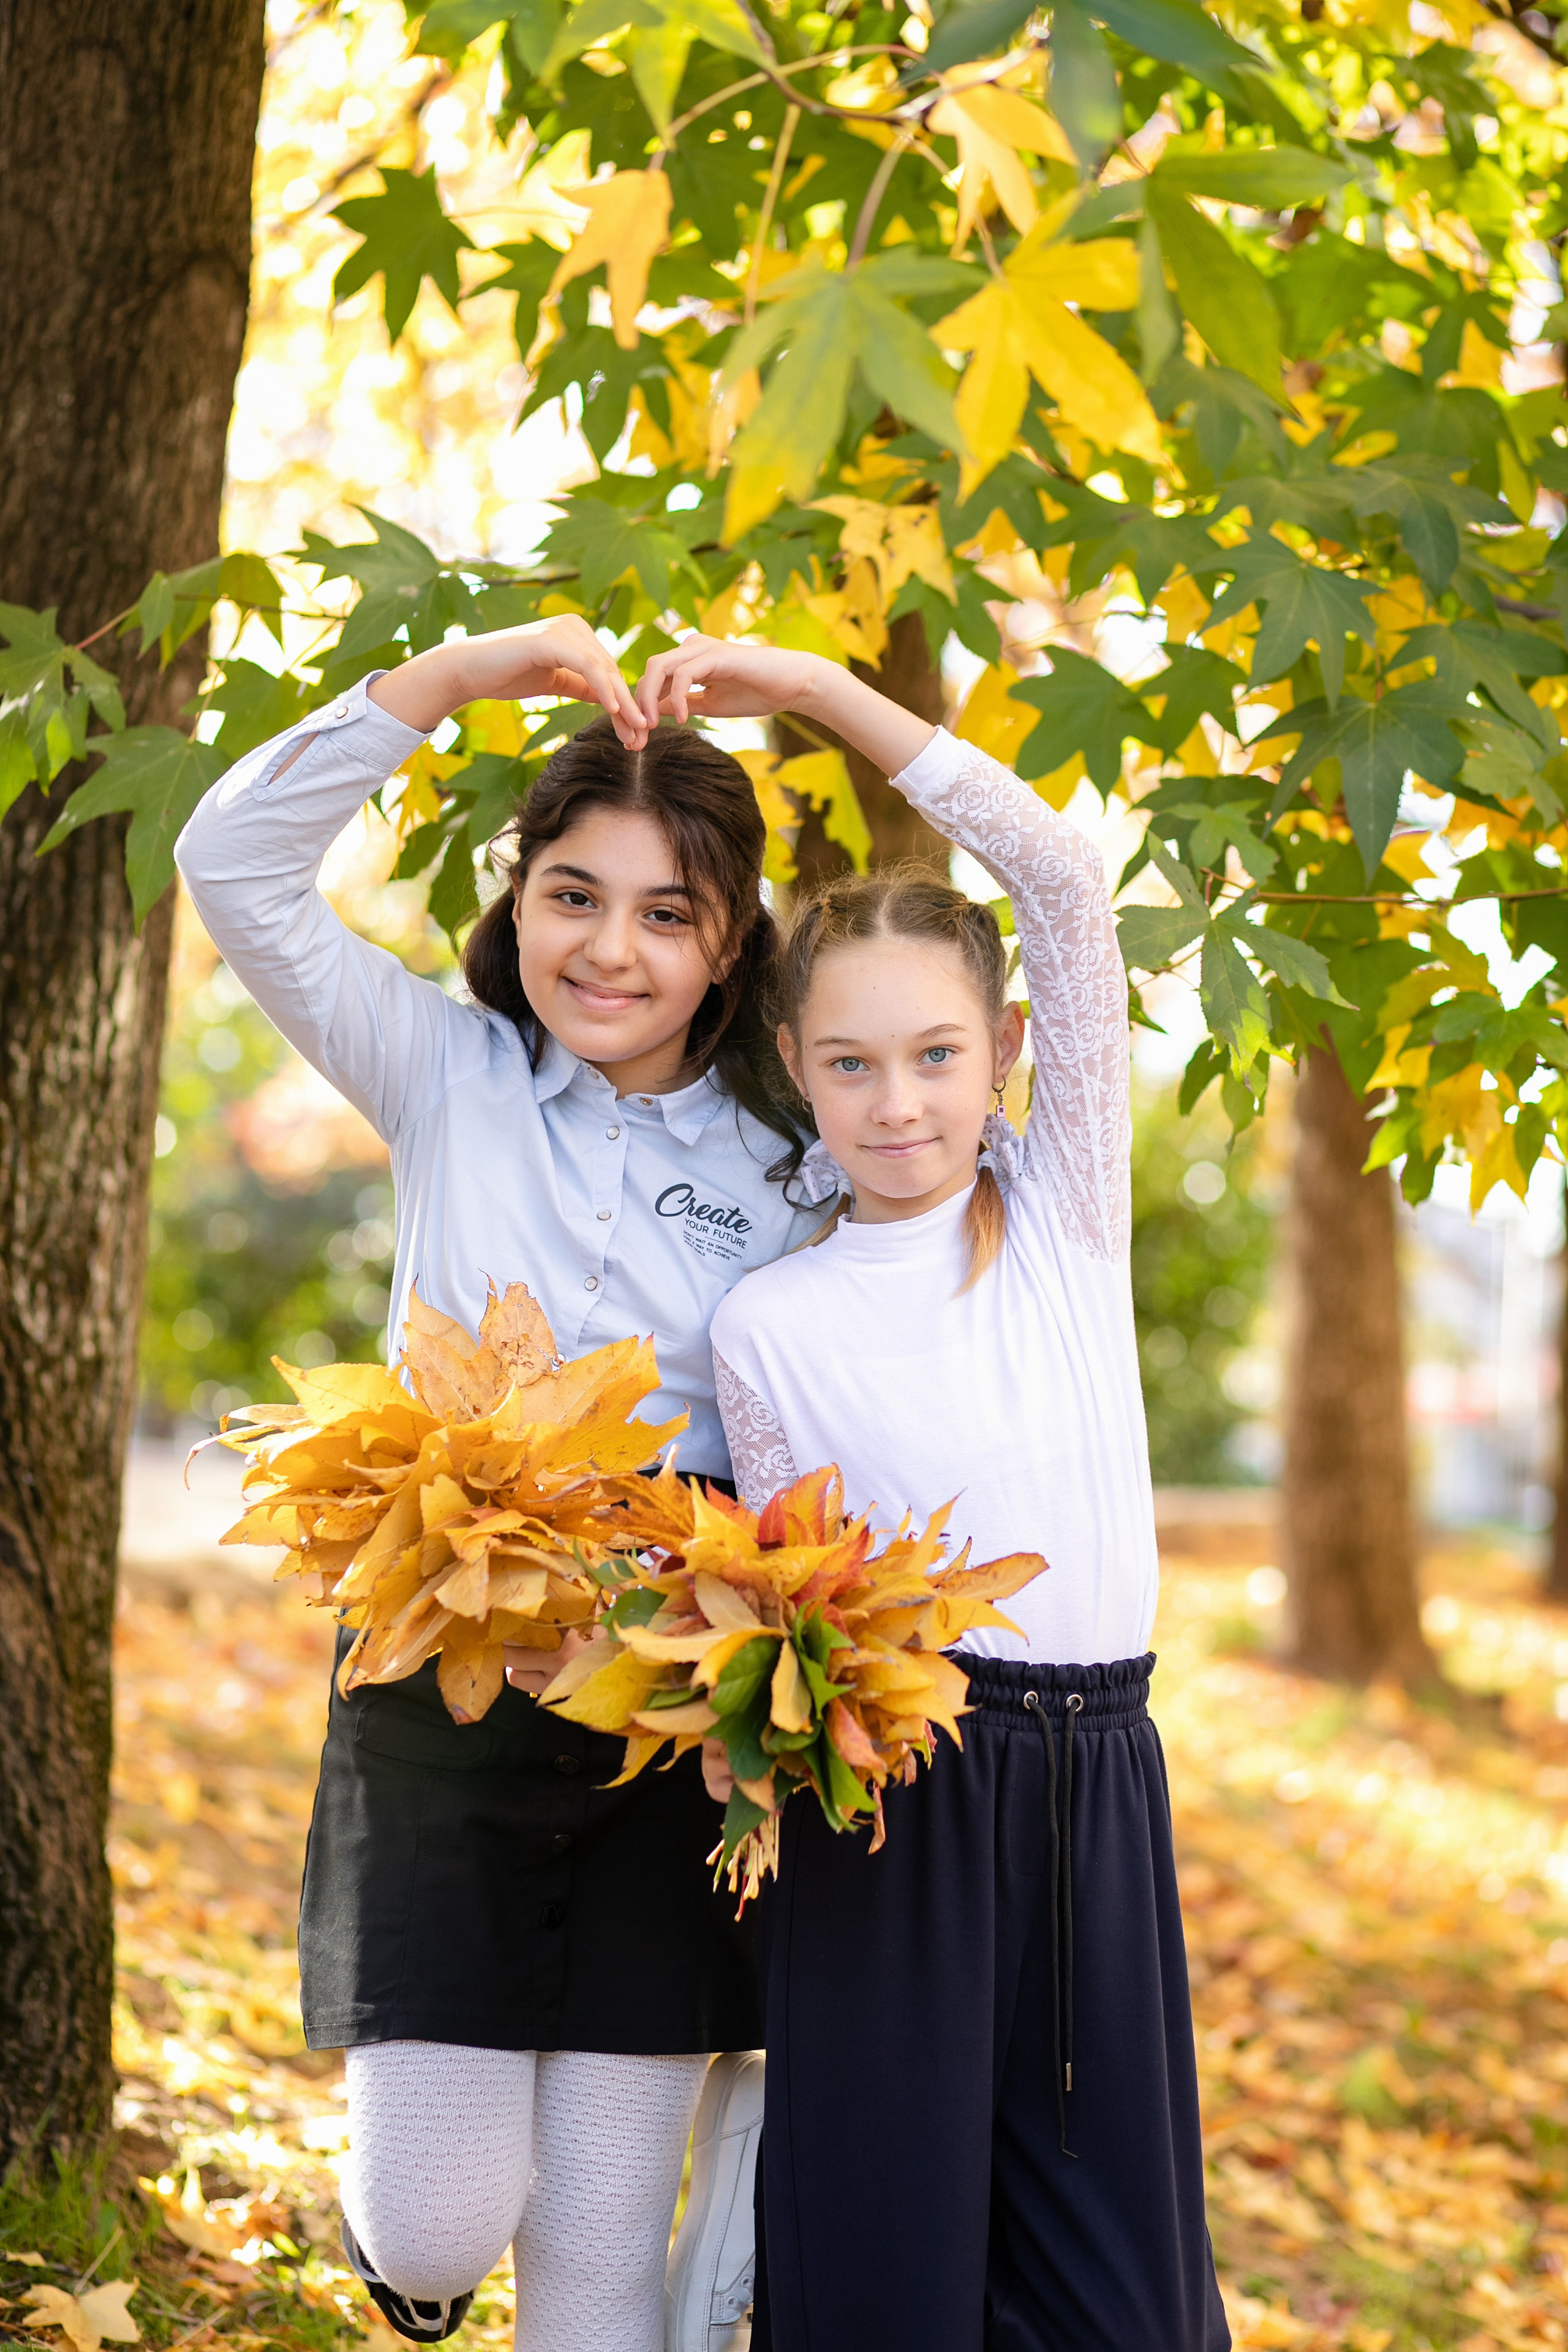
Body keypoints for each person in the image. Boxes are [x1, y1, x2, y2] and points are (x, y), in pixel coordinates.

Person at [174, 617, 812, 2352]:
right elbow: (225, 857)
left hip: (674, 1690)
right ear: (518, 899)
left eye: (667, 912)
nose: (611, 950)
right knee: (441, 2223)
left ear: (728, 943)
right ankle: (417, 2264)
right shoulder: (448, 1075)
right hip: (443, 1644)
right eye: (574, 896)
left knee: (604, 2248)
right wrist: (459, 674)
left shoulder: (797, 1151)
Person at [631, 636, 1229, 2352]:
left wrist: (814, 688)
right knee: (885, 2272)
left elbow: (1054, 871)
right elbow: (794, 1592)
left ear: (1007, 1051)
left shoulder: (1063, 1215)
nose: (902, 1103)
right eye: (853, 1066)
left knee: (1121, 2299)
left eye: (939, 1057)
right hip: (893, 1796)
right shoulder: (768, 1320)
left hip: (1093, 1784)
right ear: (800, 1074)